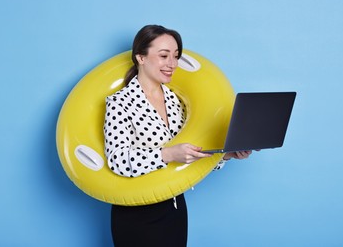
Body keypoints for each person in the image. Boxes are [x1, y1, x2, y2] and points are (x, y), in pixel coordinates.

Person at [104, 25, 253, 247]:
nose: (172, 64)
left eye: (175, 56)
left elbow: (188, 156)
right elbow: (117, 160)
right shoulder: (119, 102)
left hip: (174, 208)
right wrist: (167, 154)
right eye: (164, 56)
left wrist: (226, 155)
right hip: (136, 212)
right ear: (141, 58)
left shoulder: (175, 101)